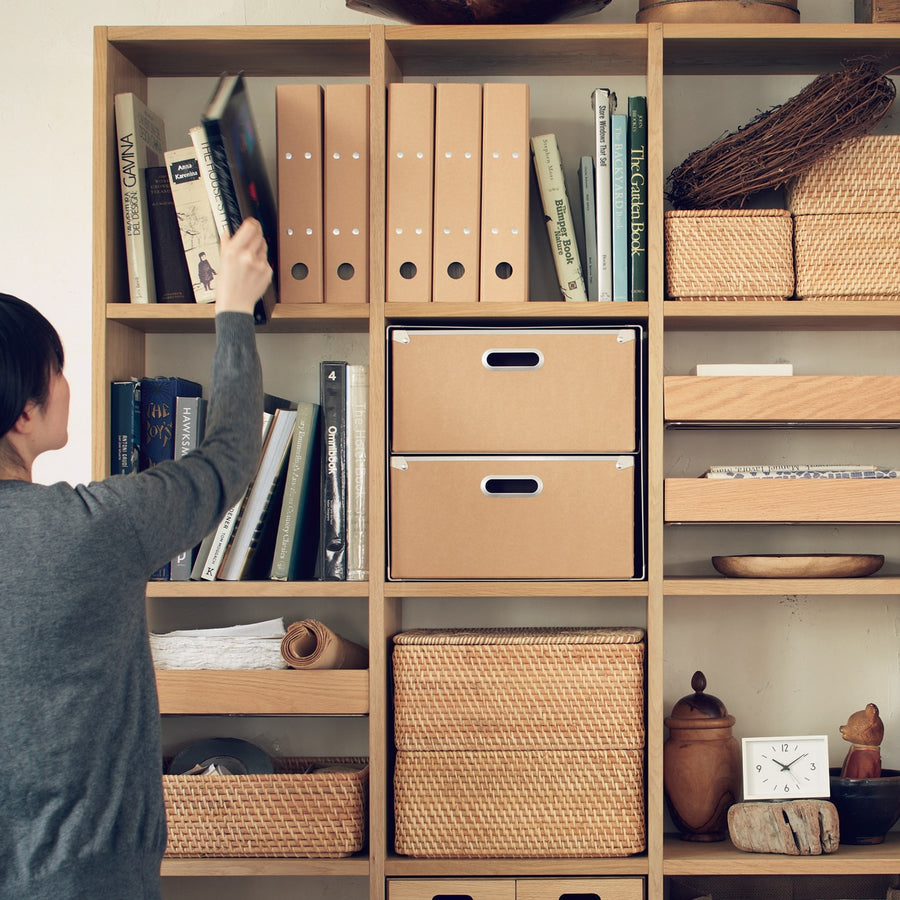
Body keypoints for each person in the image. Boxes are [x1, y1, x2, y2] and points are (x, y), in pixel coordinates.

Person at [0, 218, 272, 899]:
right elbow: (227, 458)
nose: (67, 385)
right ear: (24, 414)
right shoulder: (95, 528)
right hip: (91, 880)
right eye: (57, 372)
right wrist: (234, 311)